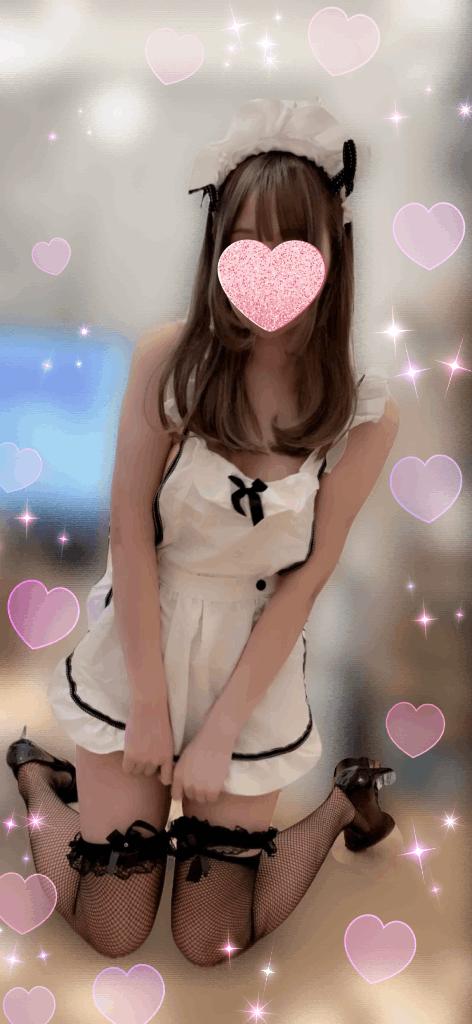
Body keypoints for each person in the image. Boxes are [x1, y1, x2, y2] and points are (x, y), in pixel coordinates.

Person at [7, 97, 400, 966]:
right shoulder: (169, 360)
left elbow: (307, 579)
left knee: (208, 939)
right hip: (143, 637)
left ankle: (343, 802)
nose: (268, 265)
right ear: (218, 244)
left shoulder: (363, 413)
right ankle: (39, 776)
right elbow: (130, 535)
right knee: (115, 929)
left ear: (335, 250)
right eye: (246, 241)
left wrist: (219, 730)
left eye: (294, 243)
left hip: (253, 660)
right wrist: (151, 708)